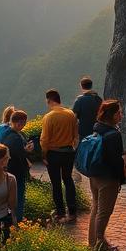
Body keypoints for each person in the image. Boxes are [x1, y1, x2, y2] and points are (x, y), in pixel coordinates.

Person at [87, 100, 126, 251]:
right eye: (119, 112)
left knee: (95, 208)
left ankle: (93, 242)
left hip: (94, 175)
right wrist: (121, 179)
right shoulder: (114, 134)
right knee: (104, 213)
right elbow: (116, 161)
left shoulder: (97, 127)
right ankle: (100, 245)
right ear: (114, 114)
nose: (121, 115)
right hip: (108, 179)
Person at [40, 89, 79, 223]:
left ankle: (61, 212)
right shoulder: (70, 114)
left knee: (56, 183)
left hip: (53, 153)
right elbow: (75, 135)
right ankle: (73, 211)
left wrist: (43, 155)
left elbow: (44, 140)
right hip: (68, 152)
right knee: (68, 179)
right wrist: (72, 147)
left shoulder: (49, 117)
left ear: (49, 100)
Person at [3, 109, 33, 222]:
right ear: (17, 122)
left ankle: (11, 220)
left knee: (10, 197)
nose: (23, 125)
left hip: (9, 170)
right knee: (18, 198)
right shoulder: (14, 137)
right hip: (16, 172)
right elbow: (18, 154)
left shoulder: (7, 133)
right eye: (22, 123)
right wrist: (27, 151)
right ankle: (17, 222)